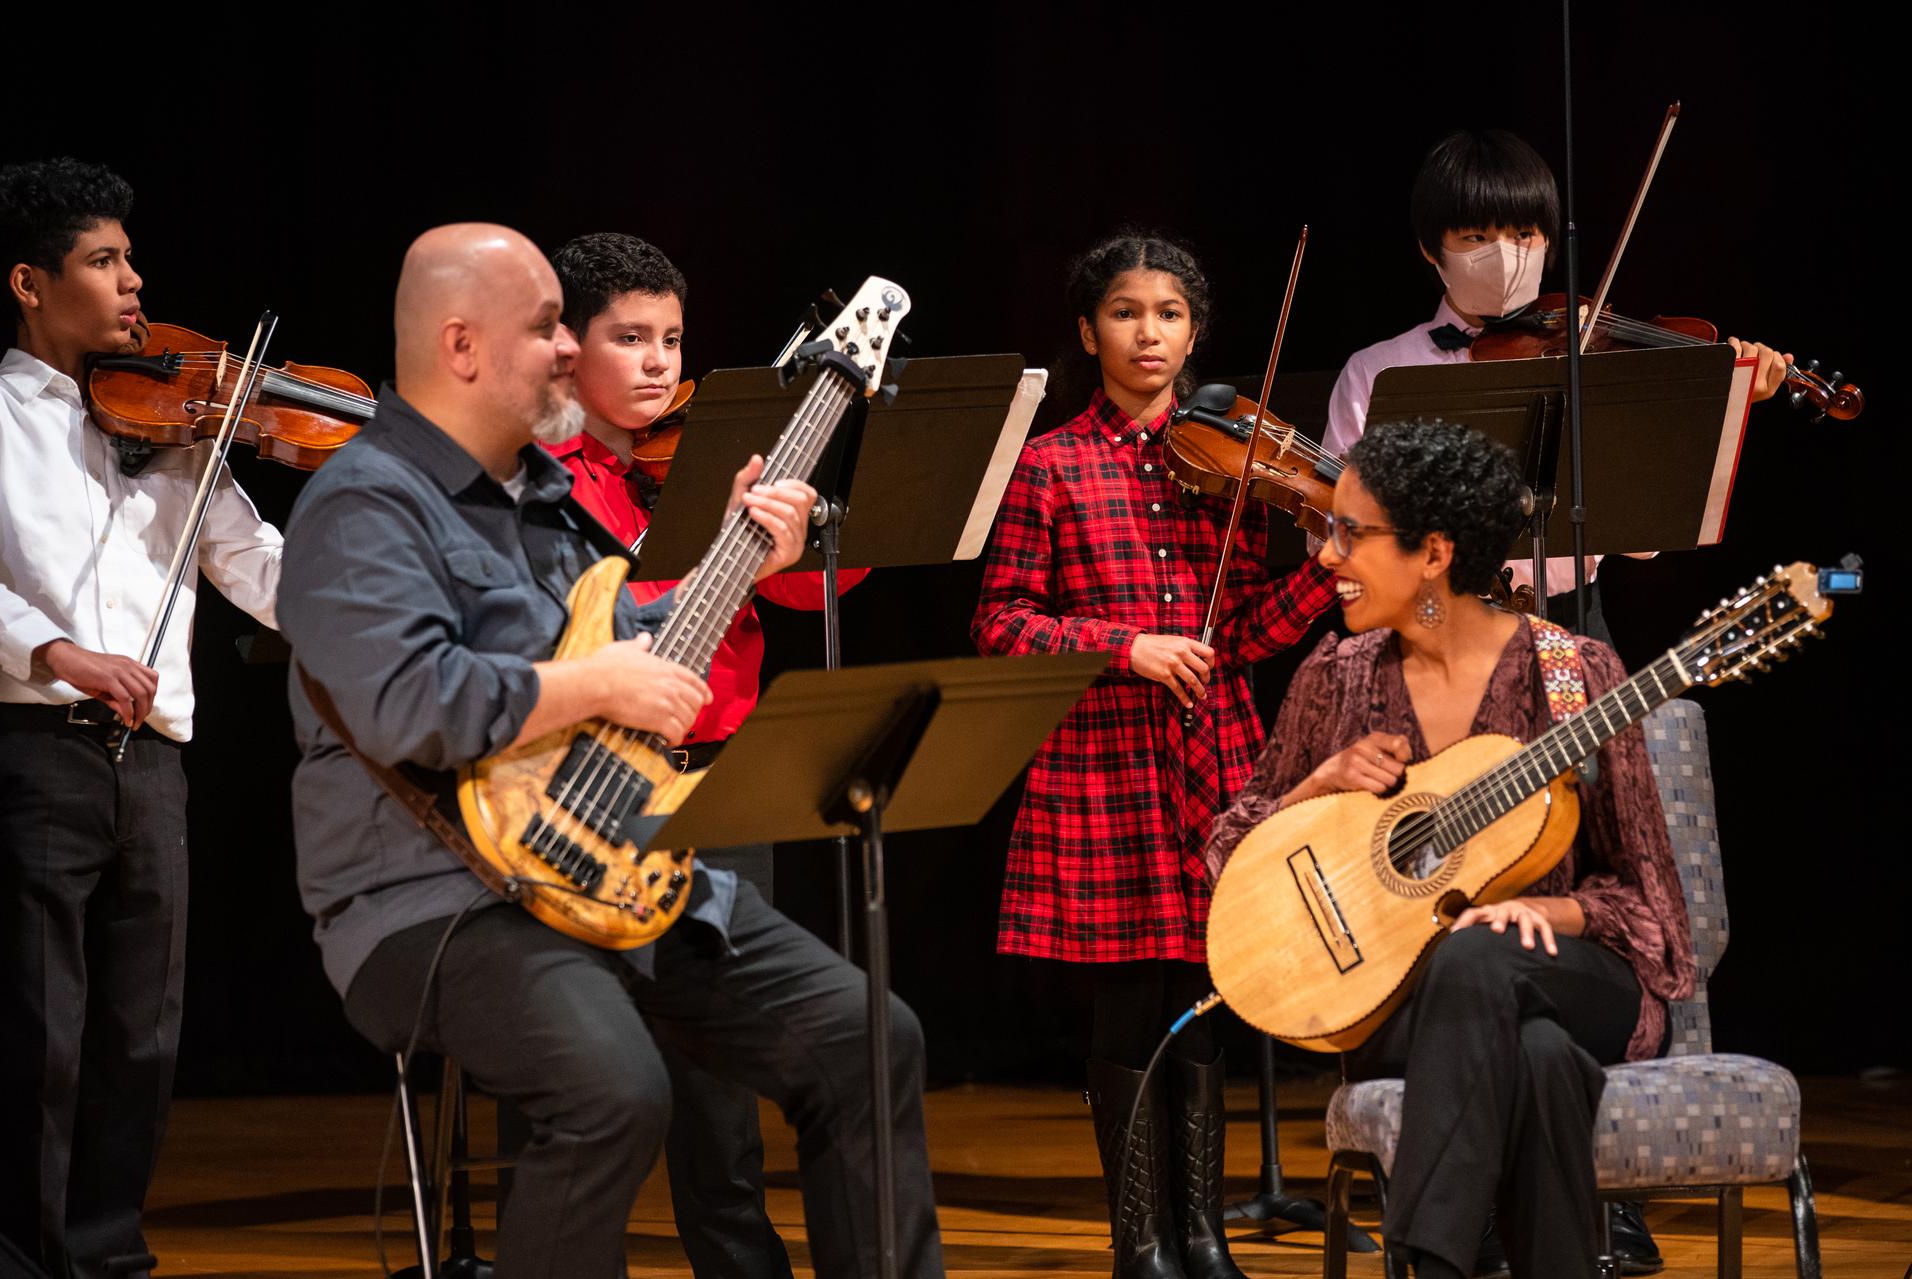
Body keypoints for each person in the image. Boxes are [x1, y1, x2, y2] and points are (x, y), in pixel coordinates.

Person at [278, 223, 944, 1278]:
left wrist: (736, 554)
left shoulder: (540, 502)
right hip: (436, 897)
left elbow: (624, 639)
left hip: (611, 855)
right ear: (460, 346)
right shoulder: (366, 504)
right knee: (615, 1089)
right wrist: (590, 685)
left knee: (871, 1038)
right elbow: (409, 704)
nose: (564, 354)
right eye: (547, 328)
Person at [1205, 417, 1696, 1279]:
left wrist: (1548, 908)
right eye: (1328, 530)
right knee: (1538, 1057)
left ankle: (1426, 1263)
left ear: (1434, 553)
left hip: (1572, 971)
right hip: (1392, 997)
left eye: (1351, 533)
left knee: (1478, 958)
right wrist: (1315, 788)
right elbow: (1228, 852)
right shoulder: (1339, 678)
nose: (1325, 556)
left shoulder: (1570, 674)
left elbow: (1653, 903)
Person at [972, 232, 1336, 1279]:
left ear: (1195, 331)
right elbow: (1000, 622)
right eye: (1128, 312)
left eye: (1169, 313)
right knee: (1132, 996)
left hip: (1218, 749)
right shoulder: (1051, 462)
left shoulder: (1234, 459)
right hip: (1106, 758)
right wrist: (1121, 644)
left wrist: (1324, 561)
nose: (1149, 332)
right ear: (1090, 332)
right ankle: (1142, 1238)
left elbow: (1256, 630)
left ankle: (1206, 1231)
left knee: (1208, 991)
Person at [547, 229, 868, 1278]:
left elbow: (813, 588)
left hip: (720, 785)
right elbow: (593, 620)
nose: (656, 363)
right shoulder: (537, 482)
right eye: (628, 338)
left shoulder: (705, 461)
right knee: (578, 1077)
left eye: (672, 340)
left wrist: (791, 531)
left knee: (720, 1097)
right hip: (577, 793)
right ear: (565, 345)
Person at [0, 157, 285, 1279]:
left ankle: (111, 1259)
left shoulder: (176, 425)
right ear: (31, 281)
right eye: (104, 261)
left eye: (130, 258)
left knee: (137, 1037)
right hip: (34, 751)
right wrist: (56, 649)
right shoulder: (0, 419)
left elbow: (254, 561)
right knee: (36, 1032)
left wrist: (370, 589)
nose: (133, 281)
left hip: (153, 764)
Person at [1322, 128, 1791, 646]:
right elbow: (1326, 534)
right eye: (1476, 238)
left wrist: (1721, 403)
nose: (1504, 255)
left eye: (1524, 235)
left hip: (1575, 629)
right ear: (1431, 249)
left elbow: (1644, 534)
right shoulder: (1376, 371)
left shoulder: (1588, 351)